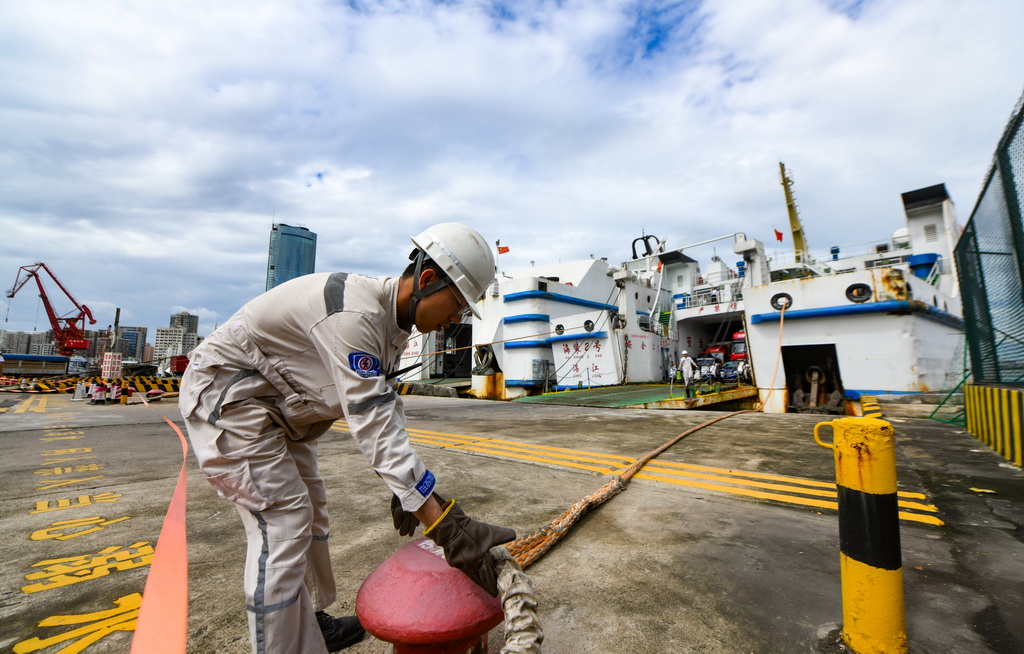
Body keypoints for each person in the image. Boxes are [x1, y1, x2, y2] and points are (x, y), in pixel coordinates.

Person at [180, 223, 516, 654]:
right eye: (457, 305)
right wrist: (447, 527)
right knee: (283, 522)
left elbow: (385, 410)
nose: (456, 320)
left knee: (312, 508)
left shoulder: (391, 327)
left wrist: (408, 490)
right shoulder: (356, 316)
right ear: (427, 280)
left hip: (281, 410)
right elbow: (371, 423)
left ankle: (309, 623)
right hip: (233, 402)